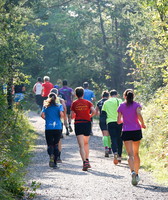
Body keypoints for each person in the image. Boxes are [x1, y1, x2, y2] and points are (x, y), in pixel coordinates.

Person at [117, 89, 146, 186]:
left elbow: (118, 121)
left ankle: (132, 171)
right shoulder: (137, 105)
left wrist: (123, 120)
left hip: (126, 131)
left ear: (125, 96)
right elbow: (138, 114)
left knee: (130, 154)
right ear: (133, 96)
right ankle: (137, 174)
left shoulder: (121, 106)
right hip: (136, 130)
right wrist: (142, 124)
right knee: (136, 153)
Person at [71, 87, 96, 171]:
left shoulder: (74, 103)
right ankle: (87, 160)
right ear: (83, 94)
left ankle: (84, 162)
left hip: (78, 123)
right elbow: (94, 111)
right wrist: (89, 116)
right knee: (86, 143)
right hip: (87, 123)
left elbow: (72, 116)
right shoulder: (88, 102)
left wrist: (76, 115)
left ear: (76, 94)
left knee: (81, 145)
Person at [41, 93, 64, 168]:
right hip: (57, 127)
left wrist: (47, 119)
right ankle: (55, 162)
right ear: (56, 98)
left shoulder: (46, 106)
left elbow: (42, 115)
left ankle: (51, 155)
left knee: (50, 144)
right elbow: (61, 114)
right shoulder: (59, 106)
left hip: (48, 128)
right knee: (56, 144)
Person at [102, 89, 123, 164]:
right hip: (120, 121)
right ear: (117, 94)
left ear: (110, 95)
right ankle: (120, 156)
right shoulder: (120, 101)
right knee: (120, 138)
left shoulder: (106, 102)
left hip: (110, 122)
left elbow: (103, 112)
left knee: (113, 138)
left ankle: (115, 153)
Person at [50, 88, 67, 163]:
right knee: (58, 139)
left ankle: (52, 154)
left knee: (51, 138)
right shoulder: (61, 100)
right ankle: (58, 156)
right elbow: (64, 108)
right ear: (57, 93)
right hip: (59, 122)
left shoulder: (47, 101)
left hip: (50, 122)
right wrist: (64, 118)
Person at [96, 91, 112, 157]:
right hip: (109, 119)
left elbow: (96, 112)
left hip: (102, 119)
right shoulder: (109, 102)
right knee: (110, 134)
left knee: (104, 134)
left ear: (102, 96)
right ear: (108, 96)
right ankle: (110, 148)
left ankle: (106, 148)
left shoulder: (99, 102)